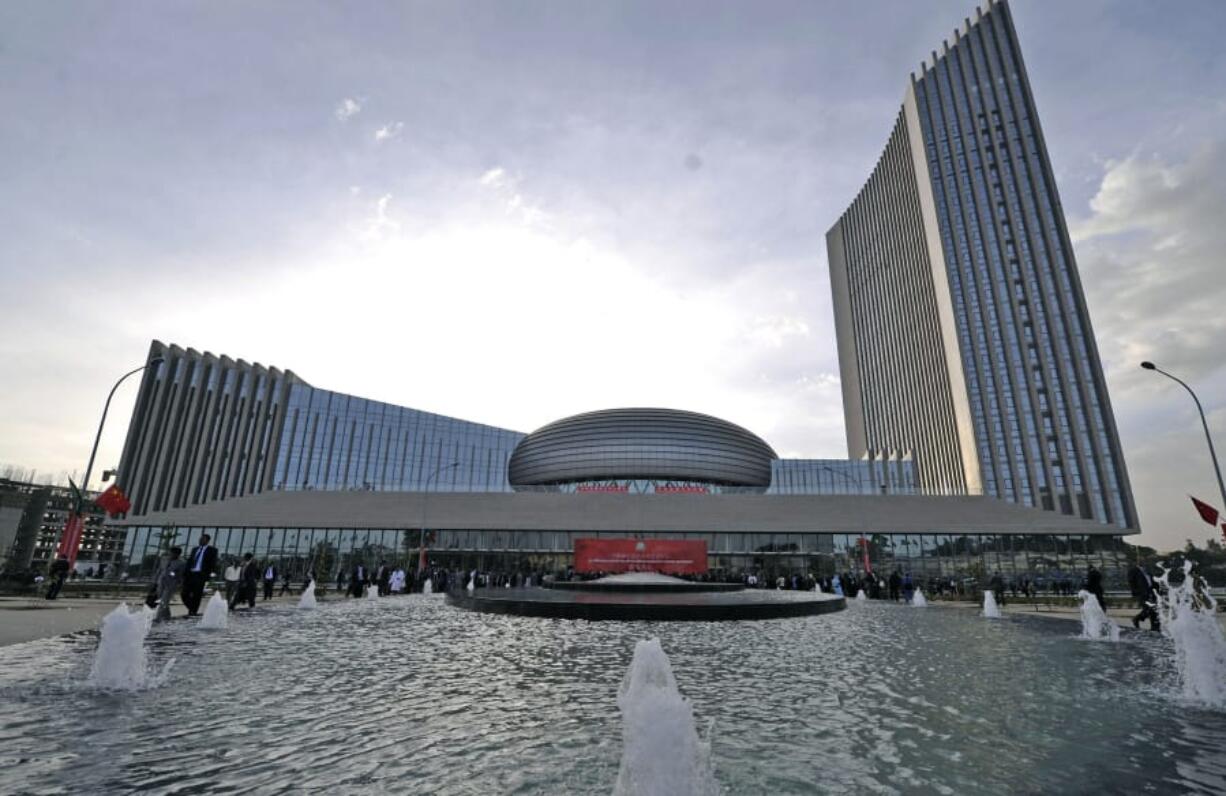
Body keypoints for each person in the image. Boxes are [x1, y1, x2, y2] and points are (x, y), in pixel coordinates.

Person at [182, 534, 218, 616]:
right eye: (200, 538)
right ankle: (192, 608)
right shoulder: (195, 549)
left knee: (197, 594)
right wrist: (185, 573)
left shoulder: (212, 550)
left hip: (201, 575)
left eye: (202, 539)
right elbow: (190, 561)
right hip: (191, 574)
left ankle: (193, 612)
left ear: (207, 540)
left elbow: (213, 563)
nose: (200, 540)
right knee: (184, 593)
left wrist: (208, 575)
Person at [155, 547, 186, 621]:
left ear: (177, 554)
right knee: (162, 600)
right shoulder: (164, 559)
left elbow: (181, 575)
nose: (171, 554)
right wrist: (155, 581)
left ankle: (158, 618)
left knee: (164, 601)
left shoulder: (181, 563)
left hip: (171, 584)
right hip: (161, 583)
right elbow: (159, 570)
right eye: (170, 553)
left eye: (173, 553)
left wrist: (179, 583)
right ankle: (167, 617)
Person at [1128, 562, 1160, 631]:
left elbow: (1152, 582)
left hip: (1151, 592)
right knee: (1148, 608)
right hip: (1142, 593)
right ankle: (1137, 619)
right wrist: (1136, 592)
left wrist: (1158, 589)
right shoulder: (1133, 571)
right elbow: (1131, 582)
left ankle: (1155, 627)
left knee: (1155, 609)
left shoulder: (1148, 571)